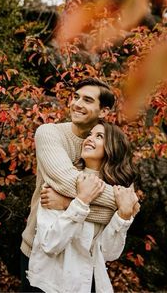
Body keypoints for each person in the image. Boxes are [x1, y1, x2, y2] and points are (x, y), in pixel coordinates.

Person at [20, 77, 120, 291]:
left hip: (80, 262)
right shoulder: (49, 133)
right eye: (76, 97)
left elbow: (114, 220)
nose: (77, 104)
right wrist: (120, 202)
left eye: (87, 100)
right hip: (40, 248)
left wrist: (66, 203)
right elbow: (67, 183)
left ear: (104, 111)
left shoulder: (108, 146)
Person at [27, 120, 140, 293]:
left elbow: (108, 253)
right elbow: (50, 244)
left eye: (99, 136)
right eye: (89, 134)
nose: (89, 138)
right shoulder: (61, 182)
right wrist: (80, 201)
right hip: (52, 285)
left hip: (90, 284)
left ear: (113, 147)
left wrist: (123, 216)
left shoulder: (118, 193)